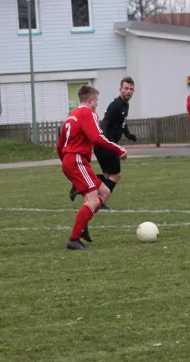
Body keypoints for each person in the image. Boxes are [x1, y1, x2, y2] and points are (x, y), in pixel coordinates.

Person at [58, 85, 128, 250]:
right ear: (90, 100)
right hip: (77, 160)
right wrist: (119, 150)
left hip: (72, 160)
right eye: (96, 101)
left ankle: (83, 226)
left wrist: (66, 162)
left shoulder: (71, 116)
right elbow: (97, 137)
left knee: (104, 192)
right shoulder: (87, 113)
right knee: (93, 200)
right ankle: (73, 239)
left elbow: (60, 144)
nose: (97, 104)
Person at [69, 77, 137, 210]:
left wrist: (128, 135)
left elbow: (122, 123)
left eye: (131, 89)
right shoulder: (115, 105)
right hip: (106, 145)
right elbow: (105, 122)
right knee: (115, 175)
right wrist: (104, 141)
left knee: (108, 176)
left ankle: (81, 186)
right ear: (120, 90)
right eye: (126, 88)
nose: (129, 91)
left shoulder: (124, 105)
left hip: (107, 145)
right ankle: (99, 201)